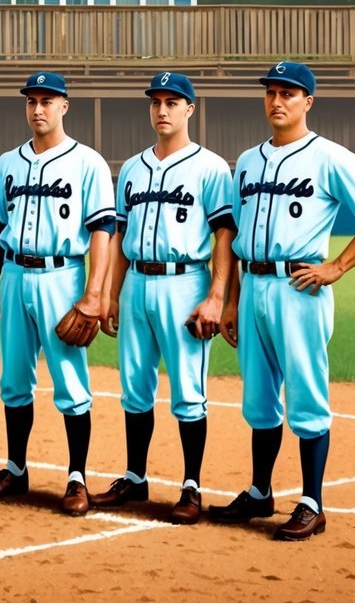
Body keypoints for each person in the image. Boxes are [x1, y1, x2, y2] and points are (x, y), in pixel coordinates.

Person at [210, 61, 355, 540]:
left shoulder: (330, 156)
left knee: (307, 396)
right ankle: (259, 492)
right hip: (252, 285)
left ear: (307, 102)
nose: (277, 100)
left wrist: (336, 266)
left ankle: (312, 502)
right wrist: (230, 300)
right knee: (258, 399)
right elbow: (236, 235)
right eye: (271, 92)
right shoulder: (248, 160)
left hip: (300, 287)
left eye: (288, 93)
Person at [92, 72, 235, 524]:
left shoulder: (211, 167)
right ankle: (135, 478)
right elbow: (118, 234)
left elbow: (224, 234)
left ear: (190, 109)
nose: (162, 109)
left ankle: (191, 486)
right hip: (137, 282)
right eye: (156, 101)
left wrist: (216, 295)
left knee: (189, 392)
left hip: (185, 282)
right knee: (134, 388)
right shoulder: (132, 168)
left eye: (173, 102)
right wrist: (111, 295)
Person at [0, 71, 115, 516]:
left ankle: (76, 478)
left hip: (63, 278)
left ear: (63, 107)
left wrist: (95, 293)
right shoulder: (9, 162)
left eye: (47, 101)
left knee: (71, 384)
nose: (38, 109)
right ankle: (16, 470)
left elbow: (103, 230)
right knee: (14, 381)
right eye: (32, 101)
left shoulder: (87, 162)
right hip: (14, 273)